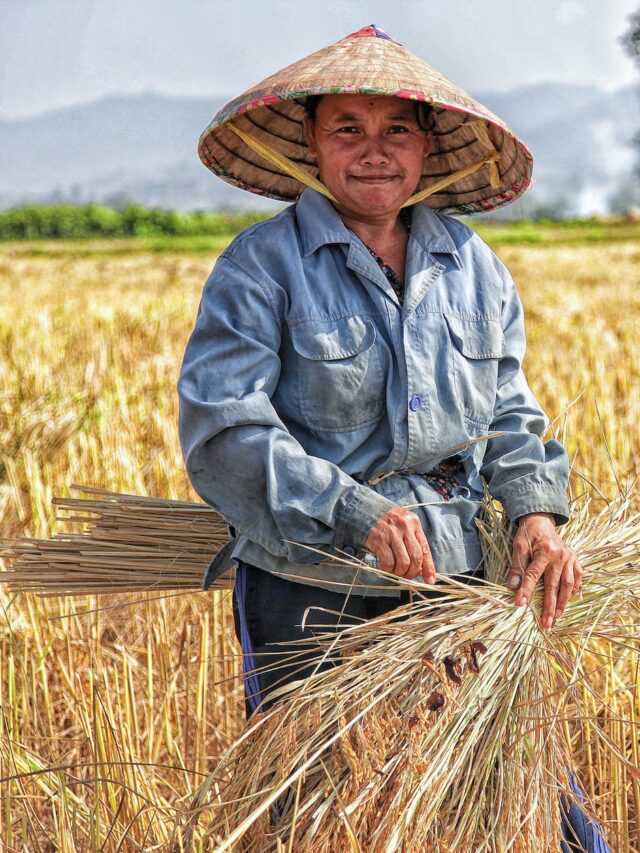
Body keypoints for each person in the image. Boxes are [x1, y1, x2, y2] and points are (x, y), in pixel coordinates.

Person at [178, 26, 606, 851]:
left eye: (395, 130)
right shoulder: (260, 267)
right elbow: (223, 428)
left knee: (533, 801)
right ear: (311, 142)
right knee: (310, 814)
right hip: (312, 581)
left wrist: (535, 513)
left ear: (426, 145)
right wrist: (354, 510)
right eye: (348, 129)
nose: (374, 152)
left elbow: (511, 412)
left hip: (461, 575)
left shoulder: (472, 265)